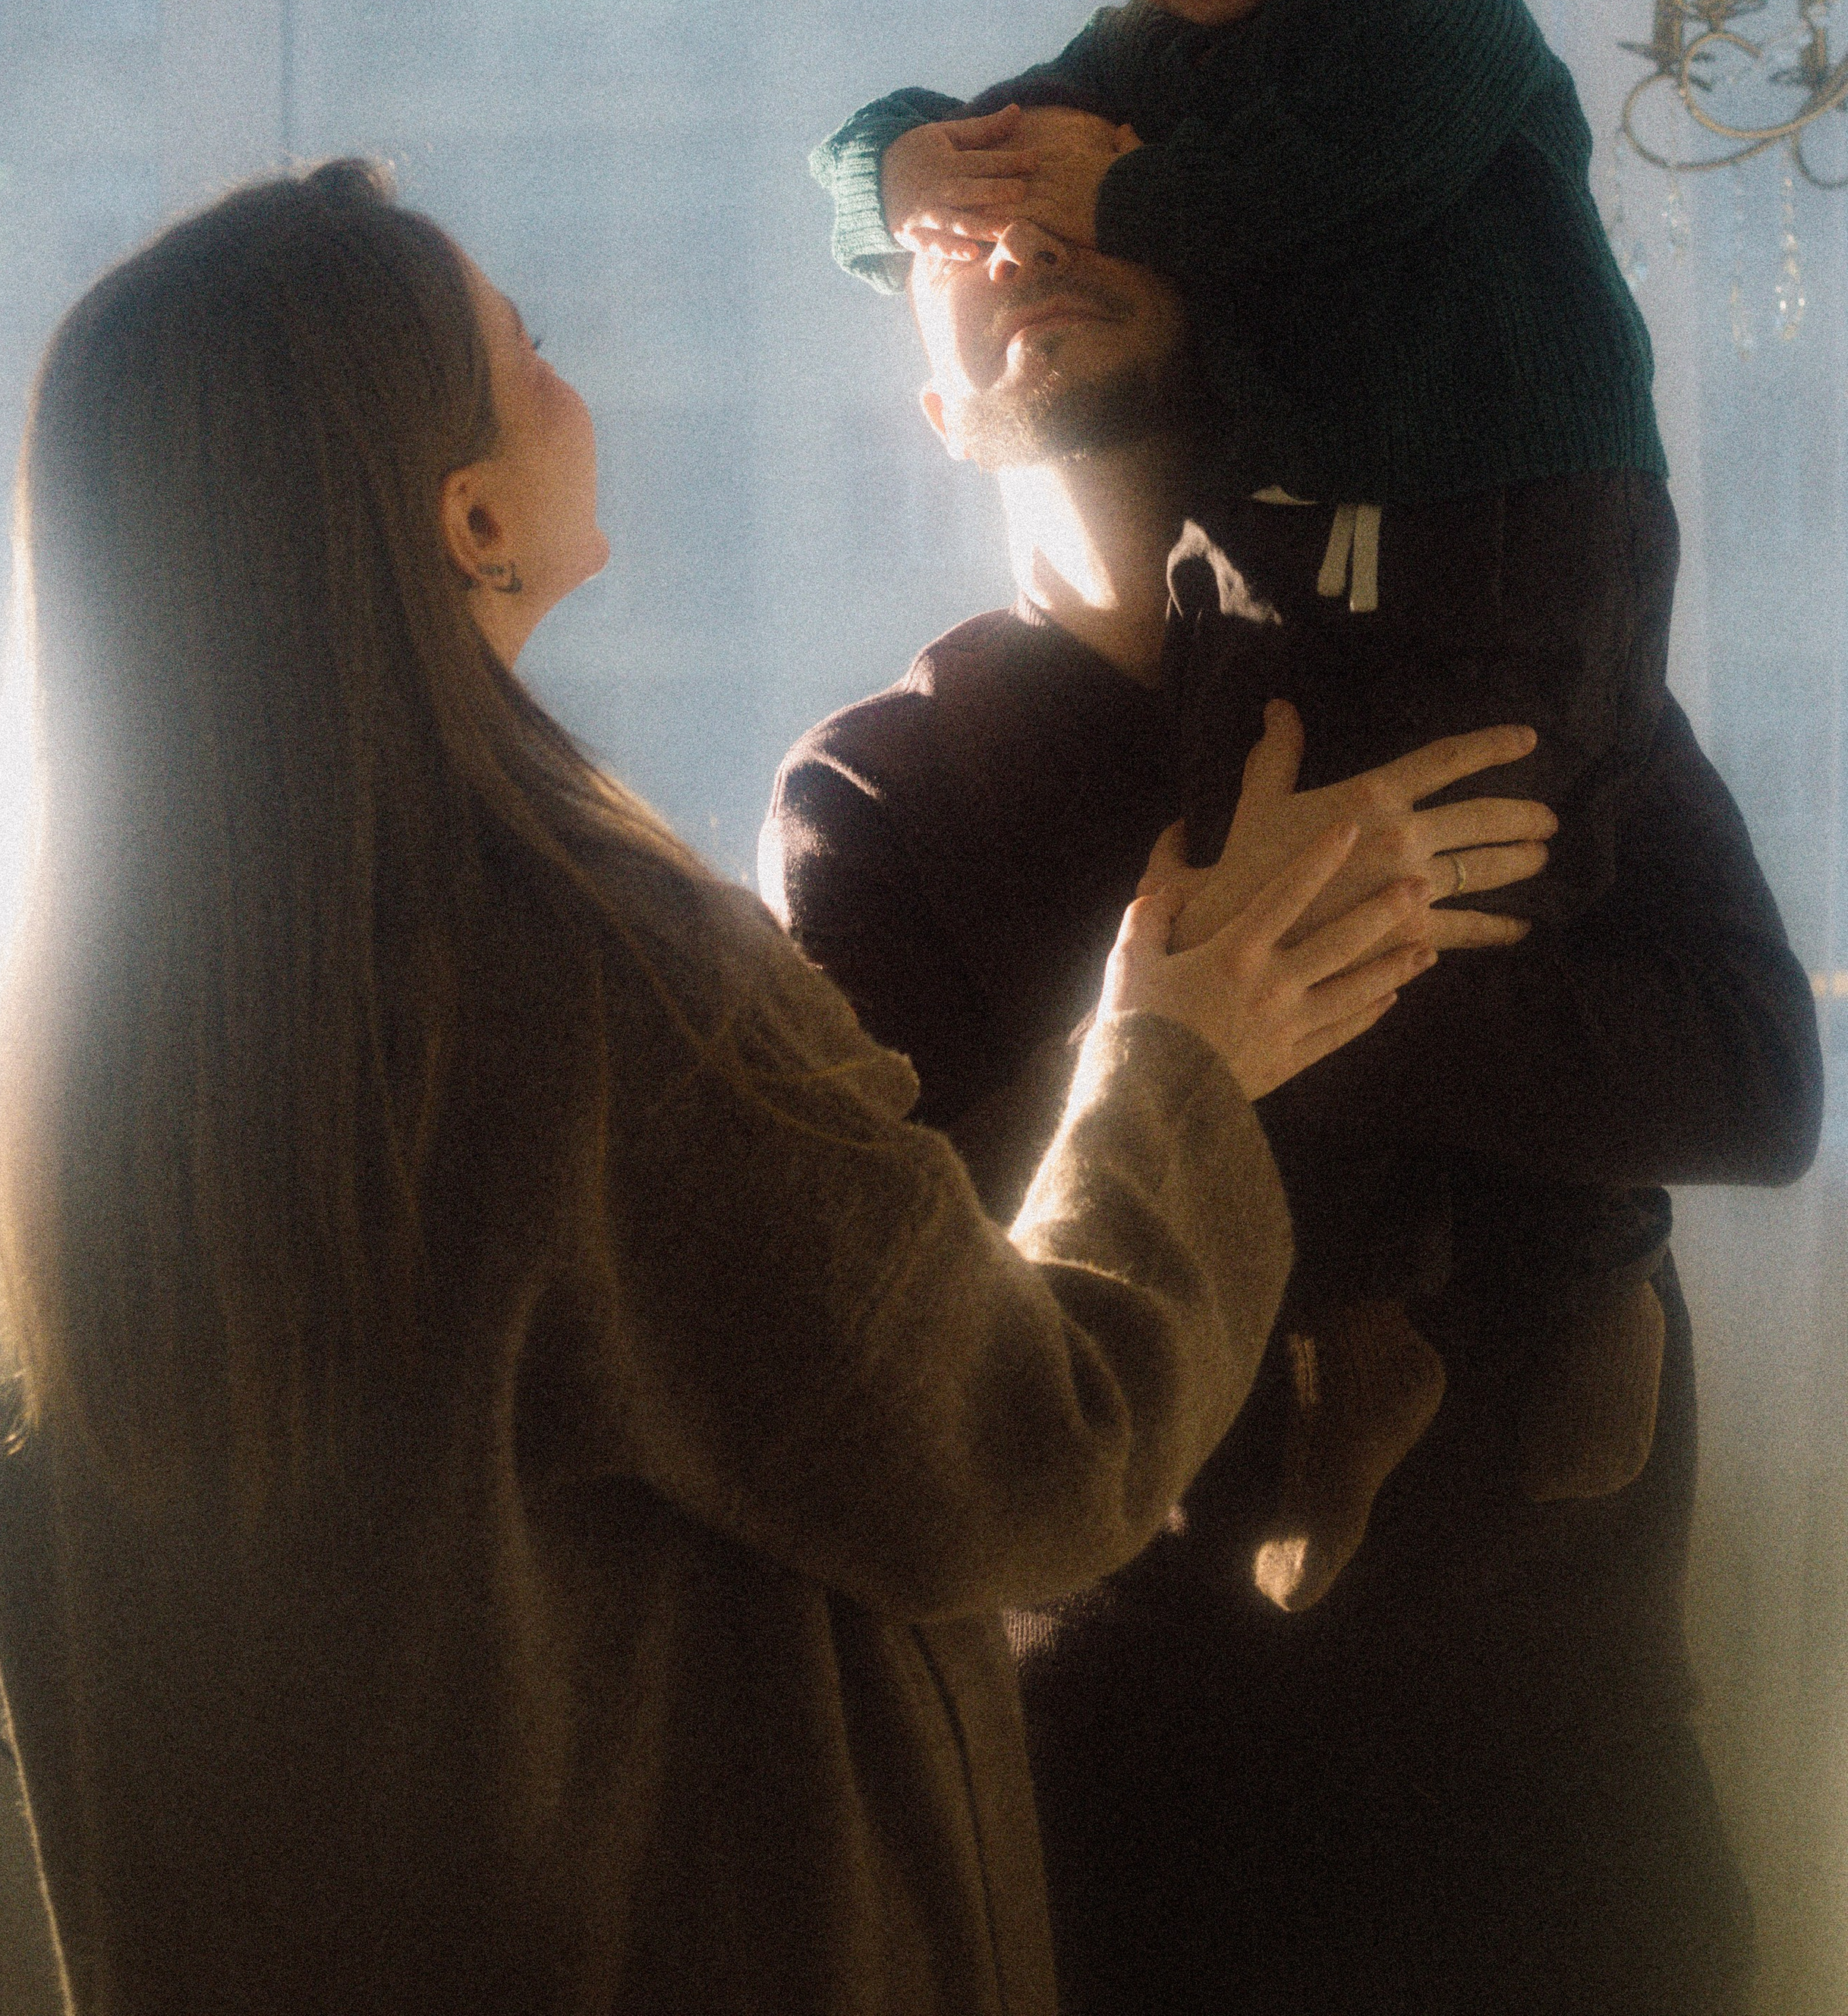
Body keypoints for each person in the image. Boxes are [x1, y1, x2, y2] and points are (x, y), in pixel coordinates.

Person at [0, 158, 1455, 2016]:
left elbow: (730, 1303)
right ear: (472, 520)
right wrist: (1182, 1072)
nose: (577, 383)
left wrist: (1112, 1063)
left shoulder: (80, 1065)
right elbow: (1028, 1451)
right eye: (532, 354)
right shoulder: (596, 981)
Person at [763, 212, 1822, 2016]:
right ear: (934, 405)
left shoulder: (1509, 659)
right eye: (959, 230)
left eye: (1091, 198)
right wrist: (1184, 1025)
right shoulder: (873, 785)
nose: (1020, 238)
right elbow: (896, 1316)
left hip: (1573, 1808)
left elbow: (1758, 1085)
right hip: (1136, 1828)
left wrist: (1296, 982)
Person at [809, 0, 1687, 1610]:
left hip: (1532, 518)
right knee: (1255, 882)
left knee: (1515, 863)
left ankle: (1590, 1272)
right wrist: (893, 172)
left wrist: (1113, 200)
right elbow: (988, 144)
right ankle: (1354, 1319)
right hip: (1323, 563)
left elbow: (1342, 171)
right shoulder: (1145, 69)